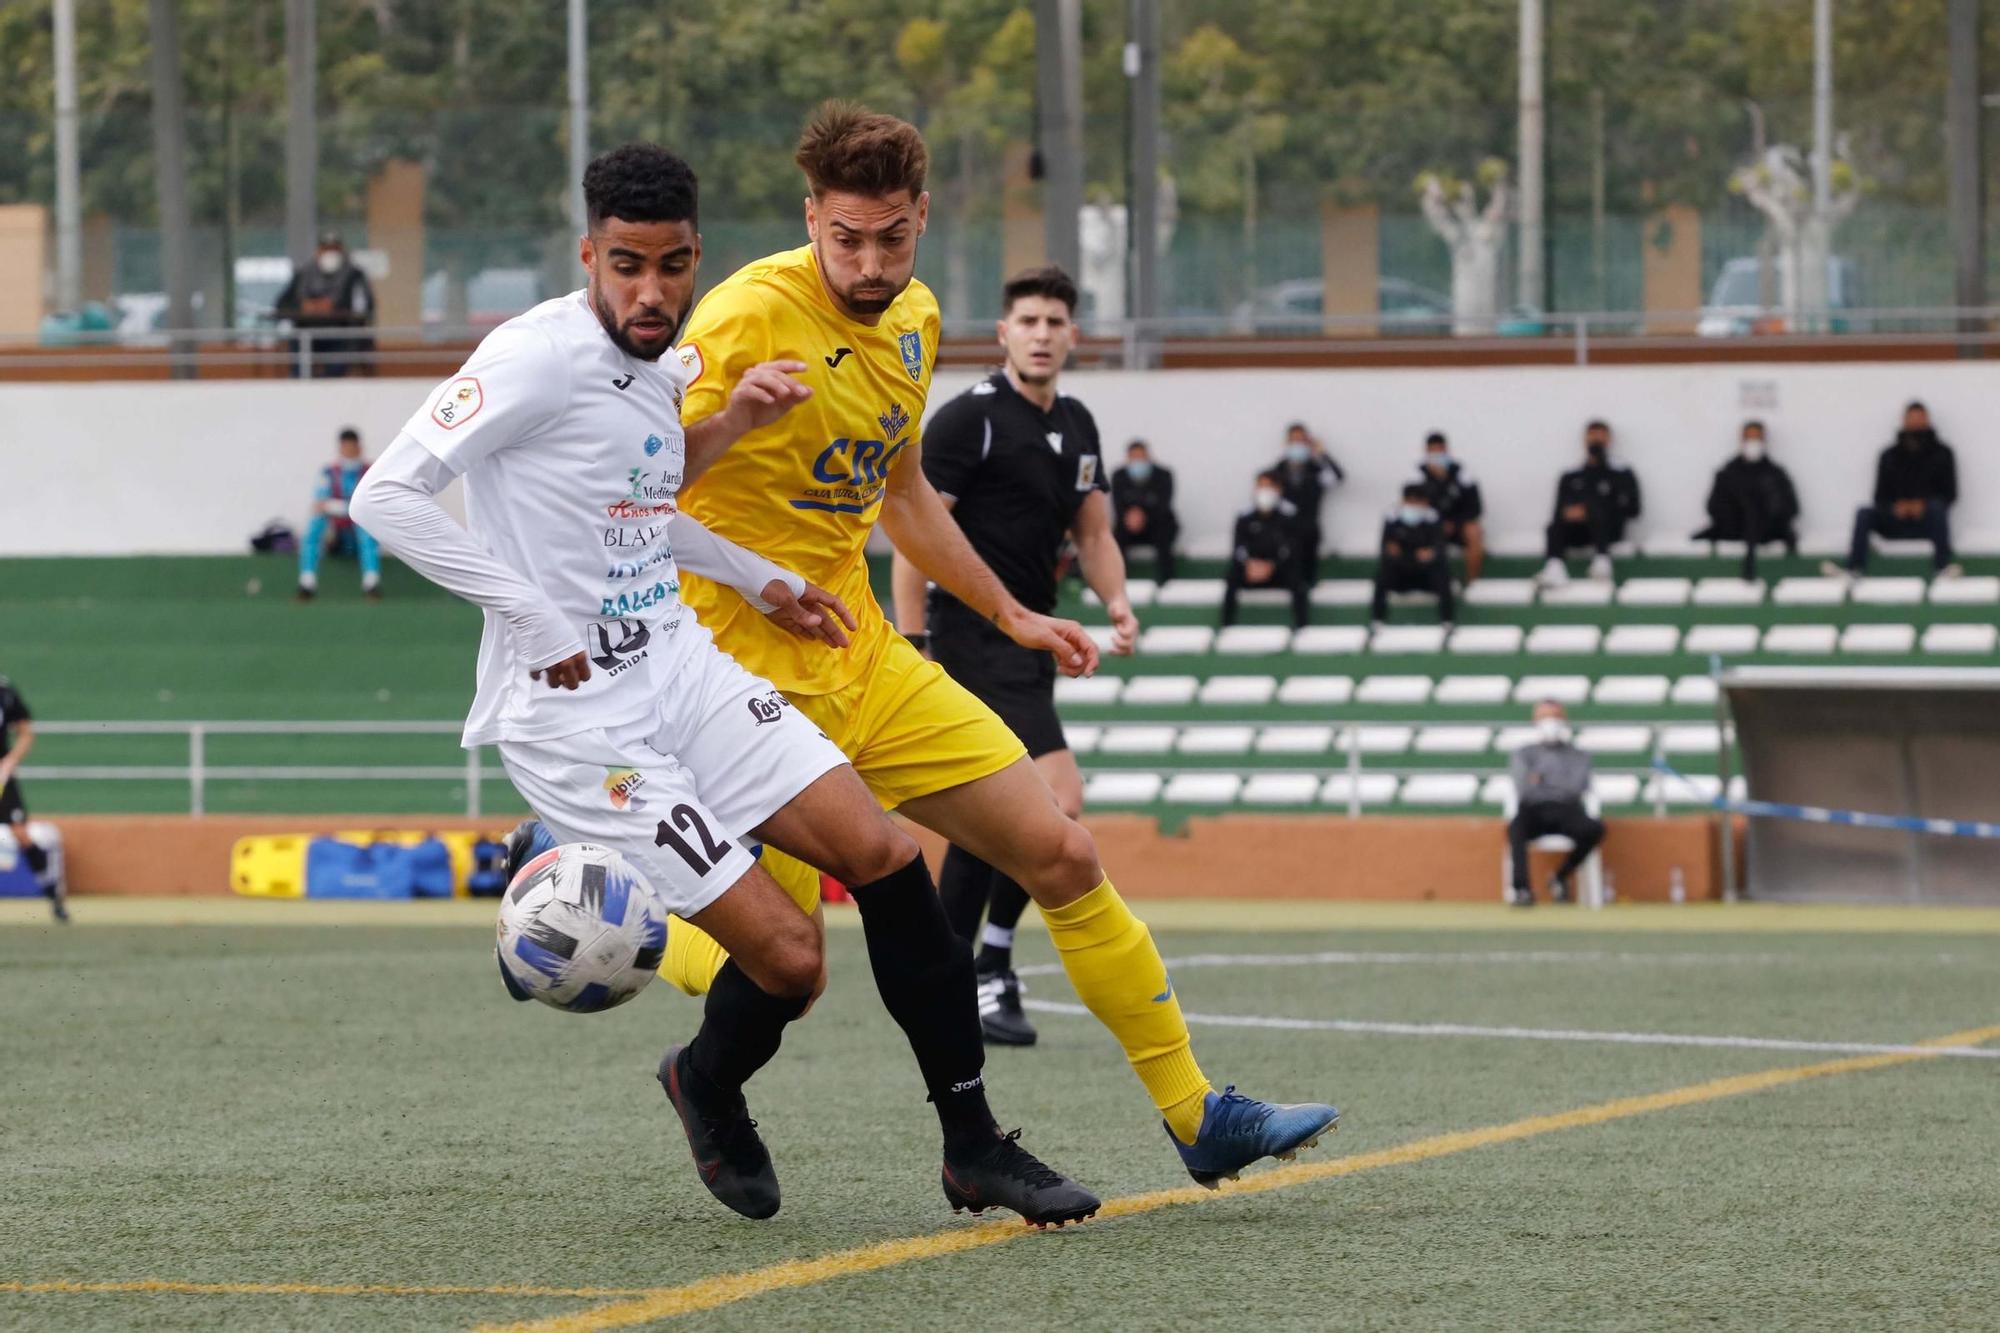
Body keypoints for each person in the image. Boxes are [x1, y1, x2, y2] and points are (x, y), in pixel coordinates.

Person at [351, 142, 1099, 1227]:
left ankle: (974, 1146)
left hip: (681, 664)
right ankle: (703, 1080)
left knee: (885, 860)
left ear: (696, 253)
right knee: (793, 962)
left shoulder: (661, 363)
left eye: (672, 265)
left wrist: (766, 576)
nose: (651, 292)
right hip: (576, 723)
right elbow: (389, 497)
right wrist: (526, 611)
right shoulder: (532, 356)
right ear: (587, 256)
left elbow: (640, 506)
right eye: (626, 267)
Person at [616, 102, 1334, 1189]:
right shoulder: (744, 315)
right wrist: (733, 442)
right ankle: (602, 893)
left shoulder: (913, 318)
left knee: (1061, 851)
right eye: (843, 237)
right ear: (808, 216)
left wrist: (1009, 613)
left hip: (858, 649)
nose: (866, 262)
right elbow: (638, 481)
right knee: (779, 956)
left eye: (890, 238)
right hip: (733, 668)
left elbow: (899, 492)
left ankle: (1198, 1115)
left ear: (921, 221)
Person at [890, 265, 1139, 1049]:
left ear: (1073, 336)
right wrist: (913, 639)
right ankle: (986, 963)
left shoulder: (1078, 423)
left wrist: (1118, 602)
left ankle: (956, 970)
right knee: (1056, 800)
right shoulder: (970, 421)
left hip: (1032, 642)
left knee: (996, 820)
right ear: (1003, 334)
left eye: (1054, 321)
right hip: (969, 640)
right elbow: (912, 530)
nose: (1040, 333)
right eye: (1026, 320)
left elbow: (1093, 533)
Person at [1822, 401, 1962, 581]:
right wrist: (1896, 507)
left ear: (1927, 421)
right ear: (1904, 421)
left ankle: (1942, 568)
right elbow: (1879, 497)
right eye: (1912, 419)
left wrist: (1922, 506)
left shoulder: (1943, 454)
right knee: (1864, 514)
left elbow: (1950, 494)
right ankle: (1854, 569)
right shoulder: (1889, 456)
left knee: (1937, 509)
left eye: (1920, 419)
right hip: (1895, 520)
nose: (1916, 423)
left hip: (1927, 521)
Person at [1506, 700, 1605, 908]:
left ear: (1564, 720)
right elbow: (1524, 787)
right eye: (1544, 717)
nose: (1550, 722)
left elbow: (1577, 787)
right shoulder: (1523, 754)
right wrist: (1555, 782)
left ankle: (1560, 876)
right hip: (1533, 809)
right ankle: (1522, 890)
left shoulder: (1578, 755)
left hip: (1566, 809)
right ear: (1535, 721)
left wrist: (1541, 778)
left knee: (1594, 829)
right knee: (1515, 829)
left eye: (1554, 716)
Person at [1693, 421, 1800, 581]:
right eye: (1749, 438)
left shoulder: (1775, 474)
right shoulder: (1729, 472)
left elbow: (1791, 508)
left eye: (1757, 439)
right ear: (1741, 440)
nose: (1753, 443)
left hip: (1767, 532)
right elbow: (1713, 507)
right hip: (1734, 530)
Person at [1538, 420, 1641, 585]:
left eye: (1601, 438)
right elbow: (1558, 511)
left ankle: (1602, 560)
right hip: (1578, 533)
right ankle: (1555, 568)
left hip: (1610, 531)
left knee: (1594, 507)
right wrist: (1574, 513)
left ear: (1609, 440)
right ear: (1585, 440)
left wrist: (1595, 510)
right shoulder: (1571, 474)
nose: (1596, 442)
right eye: (1593, 438)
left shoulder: (1622, 472)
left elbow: (1634, 509)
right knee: (1553, 526)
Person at [0, 676, 64, 923]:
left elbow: (26, 733)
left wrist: (10, 761)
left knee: (21, 833)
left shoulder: (5, 691)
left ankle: (53, 894)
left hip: (3, 777)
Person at [297, 428, 383, 601]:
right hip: (337, 530)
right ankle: (307, 582)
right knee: (314, 525)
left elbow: (372, 504)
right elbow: (320, 504)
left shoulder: (370, 472)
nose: (349, 452)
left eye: (353, 447)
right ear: (340, 448)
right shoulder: (329, 472)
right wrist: (345, 507)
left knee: (367, 529)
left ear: (359, 448)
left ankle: (371, 583)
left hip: (358, 526)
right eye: (346, 447)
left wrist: (335, 506)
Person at [274, 231, 376, 377]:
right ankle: (301, 382)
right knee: (298, 347)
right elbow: (281, 304)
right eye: (326, 249)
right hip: (307, 334)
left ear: (342, 251)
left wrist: (335, 308)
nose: (330, 254)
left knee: (343, 351)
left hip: (340, 333)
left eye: (334, 249)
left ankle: (326, 383)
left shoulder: (354, 275)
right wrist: (303, 307)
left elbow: (365, 307)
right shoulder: (303, 274)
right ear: (318, 252)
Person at [1222, 471, 1310, 630]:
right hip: (1251, 569)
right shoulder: (1245, 516)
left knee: (1298, 582)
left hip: (1279, 569)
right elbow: (1238, 548)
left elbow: (1292, 548)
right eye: (1260, 486)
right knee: (1231, 578)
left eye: (1268, 487)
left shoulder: (1290, 515)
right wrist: (1249, 564)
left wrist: (1272, 565)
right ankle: (1226, 626)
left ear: (1279, 489)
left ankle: (1302, 627)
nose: (1264, 491)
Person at [1370, 483, 1455, 628]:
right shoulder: (1392, 518)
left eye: (1417, 502)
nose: (1413, 506)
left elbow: (1440, 549)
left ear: (1425, 502)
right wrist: (1395, 552)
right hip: (1401, 574)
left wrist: (1431, 553)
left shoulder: (1433, 519)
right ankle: (1377, 619)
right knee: (1382, 576)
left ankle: (1447, 620)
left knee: (1442, 575)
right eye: (1409, 501)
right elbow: (1386, 547)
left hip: (1425, 575)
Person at [1269, 422, 1344, 583]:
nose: (1297, 445)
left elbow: (1338, 477)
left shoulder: (1316, 470)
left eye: (1302, 441)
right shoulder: (1278, 470)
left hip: (1309, 530)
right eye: (1293, 441)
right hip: (1283, 532)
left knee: (1307, 578)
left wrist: (1322, 454)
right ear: (1287, 444)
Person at [1414, 431, 1484, 582]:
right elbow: (1415, 506)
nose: (1437, 456)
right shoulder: (1418, 475)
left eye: (1440, 451)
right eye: (1432, 452)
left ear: (1446, 450)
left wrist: (1456, 522)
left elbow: (1476, 507)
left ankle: (1472, 581)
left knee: (1474, 531)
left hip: (1458, 525)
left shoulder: (1463, 473)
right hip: (1432, 525)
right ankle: (1429, 582)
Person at [1110, 439, 1178, 583]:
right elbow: (1117, 505)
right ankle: (1118, 580)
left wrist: (1143, 517)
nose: (1138, 461)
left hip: (1156, 523)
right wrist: (1130, 517)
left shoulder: (1164, 475)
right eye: (1134, 457)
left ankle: (1165, 580)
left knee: (1165, 532)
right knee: (1117, 536)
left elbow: (1164, 505)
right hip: (1129, 525)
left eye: (1141, 457)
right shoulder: (1119, 476)